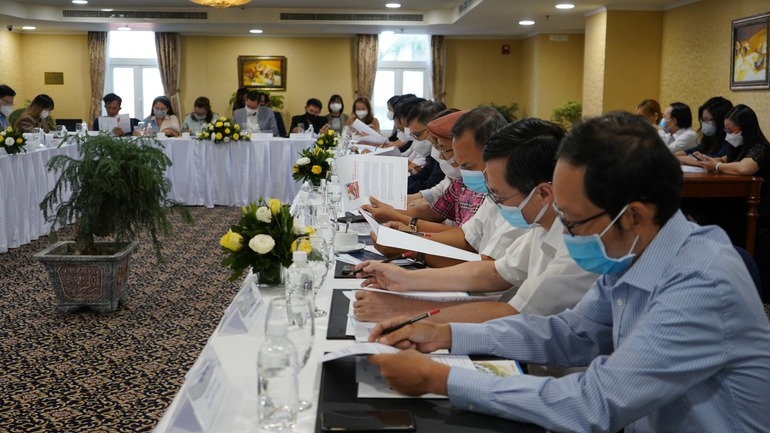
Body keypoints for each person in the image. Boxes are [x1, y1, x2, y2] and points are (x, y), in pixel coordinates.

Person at [367, 112, 770, 432]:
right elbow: (572, 333)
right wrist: (445, 335)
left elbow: (596, 403)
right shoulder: (633, 250)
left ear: (633, 216)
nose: (566, 231)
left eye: (574, 222)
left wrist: (441, 380)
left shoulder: (701, 282)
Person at [354, 118, 597, 331]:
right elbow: (494, 273)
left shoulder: (581, 248)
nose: (495, 202)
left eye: (499, 196)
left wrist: (402, 310)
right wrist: (405, 279)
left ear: (543, 193)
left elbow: (514, 313)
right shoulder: (542, 225)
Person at [367, 107, 524, 267]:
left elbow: (489, 270)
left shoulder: (514, 201)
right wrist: (410, 237)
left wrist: (410, 247)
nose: (441, 156)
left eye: (467, 166)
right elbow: (465, 236)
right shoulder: (491, 192)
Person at [693, 104, 770, 302]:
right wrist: (707, 160)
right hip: (738, 202)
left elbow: (744, 168)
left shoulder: (760, 147)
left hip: (761, 207)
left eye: (731, 131)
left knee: (718, 212)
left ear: (746, 128)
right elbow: (723, 159)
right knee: (705, 207)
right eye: (726, 130)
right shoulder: (739, 146)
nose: (728, 135)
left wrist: (718, 166)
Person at [365, 109, 483, 230]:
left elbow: (463, 236)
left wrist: (398, 216)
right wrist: (392, 210)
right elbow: (435, 212)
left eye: (442, 149)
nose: (440, 155)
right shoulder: (459, 181)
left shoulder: (482, 186)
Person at [676, 96, 733, 166]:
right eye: (703, 119)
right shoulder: (710, 137)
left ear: (720, 120)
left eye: (707, 119)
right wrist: (672, 156)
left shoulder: (731, 139)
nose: (704, 123)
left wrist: (675, 158)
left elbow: (712, 160)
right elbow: (690, 151)